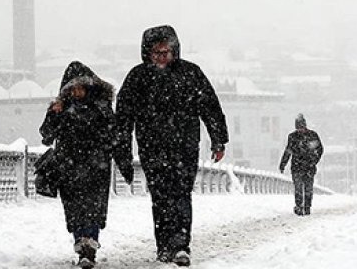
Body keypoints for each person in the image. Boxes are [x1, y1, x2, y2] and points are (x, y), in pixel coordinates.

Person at [115, 25, 229, 267]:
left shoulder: (190, 73)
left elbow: (210, 107)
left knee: (181, 194)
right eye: (157, 52)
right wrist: (122, 152)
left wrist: (218, 139)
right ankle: (164, 245)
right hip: (151, 147)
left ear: (175, 50)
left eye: (166, 51)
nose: (162, 57)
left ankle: (180, 245)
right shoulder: (137, 78)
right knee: (160, 196)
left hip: (184, 146)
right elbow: (123, 118)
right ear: (147, 53)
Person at [40, 61, 131, 269]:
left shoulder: (102, 109)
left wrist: (123, 162)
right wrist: (54, 114)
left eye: (81, 87)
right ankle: (81, 243)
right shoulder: (61, 109)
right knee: (74, 209)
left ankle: (88, 246)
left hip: (95, 168)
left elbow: (115, 138)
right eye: (73, 88)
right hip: (69, 168)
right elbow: (46, 136)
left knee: (93, 208)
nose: (77, 92)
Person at [279, 113, 324, 216]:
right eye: (298, 128)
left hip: (308, 167)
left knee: (308, 188)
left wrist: (314, 161)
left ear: (305, 126)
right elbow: (288, 151)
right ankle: (299, 207)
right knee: (298, 188)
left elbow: (320, 149)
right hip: (297, 167)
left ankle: (307, 207)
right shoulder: (293, 137)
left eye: (301, 127)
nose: (300, 130)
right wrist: (283, 164)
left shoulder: (312, 135)